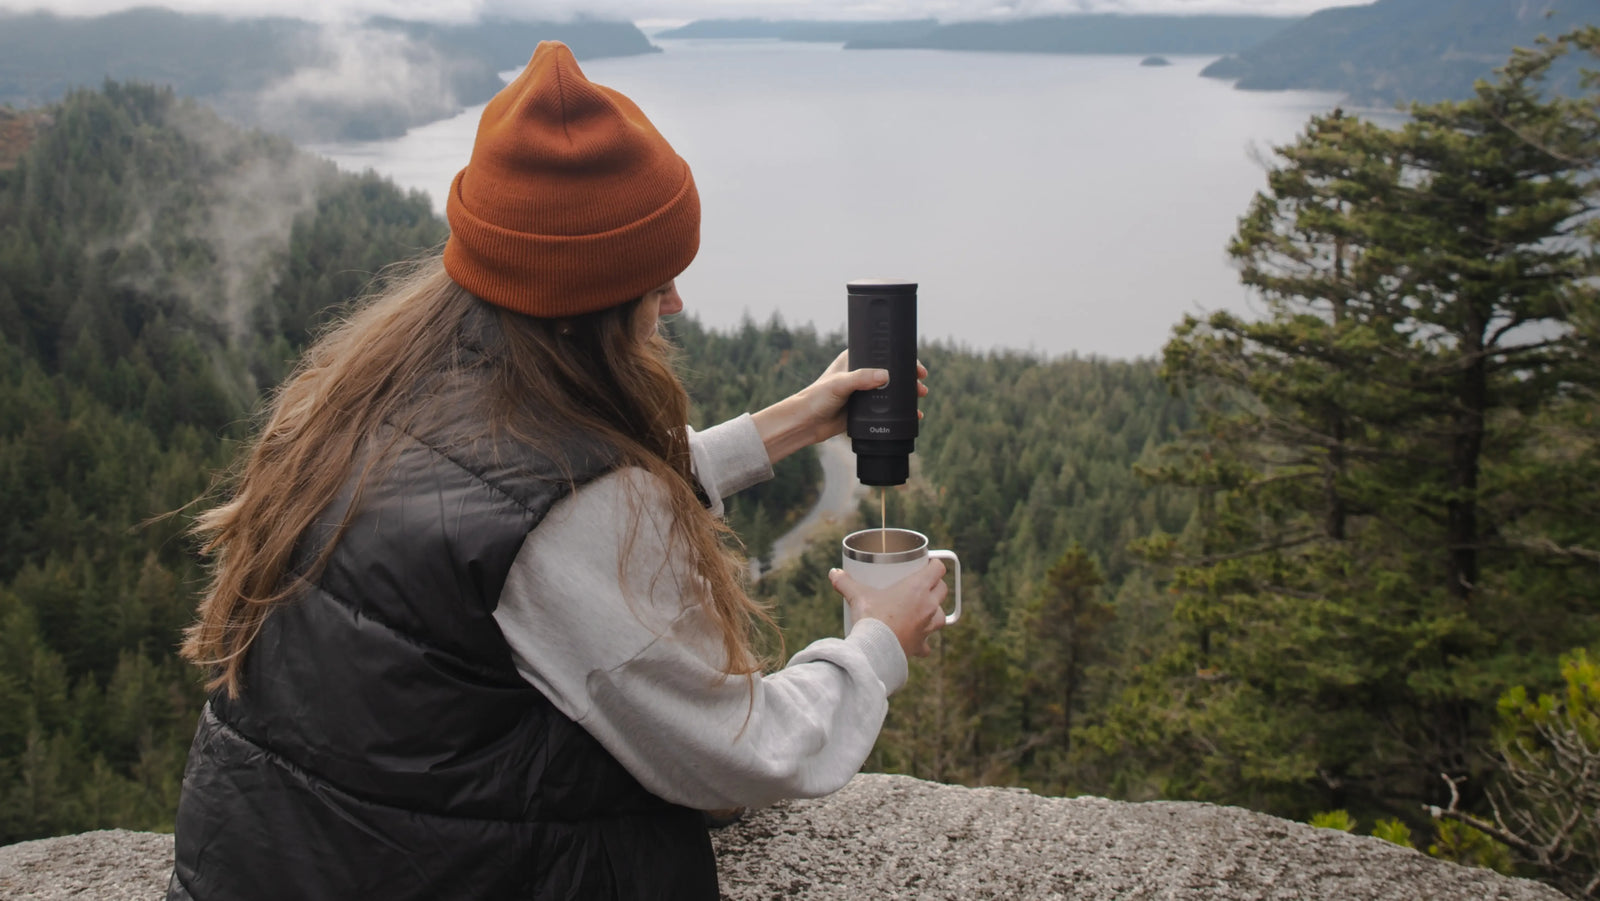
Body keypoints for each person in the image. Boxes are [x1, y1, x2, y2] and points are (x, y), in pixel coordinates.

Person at [165, 41, 948, 901]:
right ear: (589, 297)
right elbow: (736, 751)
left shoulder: (382, 382)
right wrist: (876, 642)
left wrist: (792, 422)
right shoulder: (578, 509)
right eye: (657, 279)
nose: (676, 301)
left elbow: (498, 494)